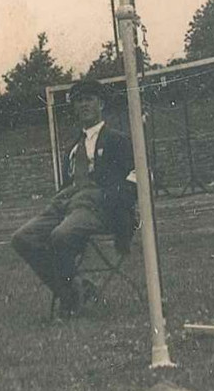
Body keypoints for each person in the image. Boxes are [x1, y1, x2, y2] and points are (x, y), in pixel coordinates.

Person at [12, 79, 136, 316]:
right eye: (79, 101)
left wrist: (116, 200)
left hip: (99, 204)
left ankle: (69, 297)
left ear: (101, 103)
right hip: (69, 200)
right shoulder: (72, 146)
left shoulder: (116, 139)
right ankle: (74, 287)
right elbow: (68, 183)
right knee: (23, 237)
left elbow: (136, 174)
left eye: (89, 99)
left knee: (62, 235)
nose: (84, 105)